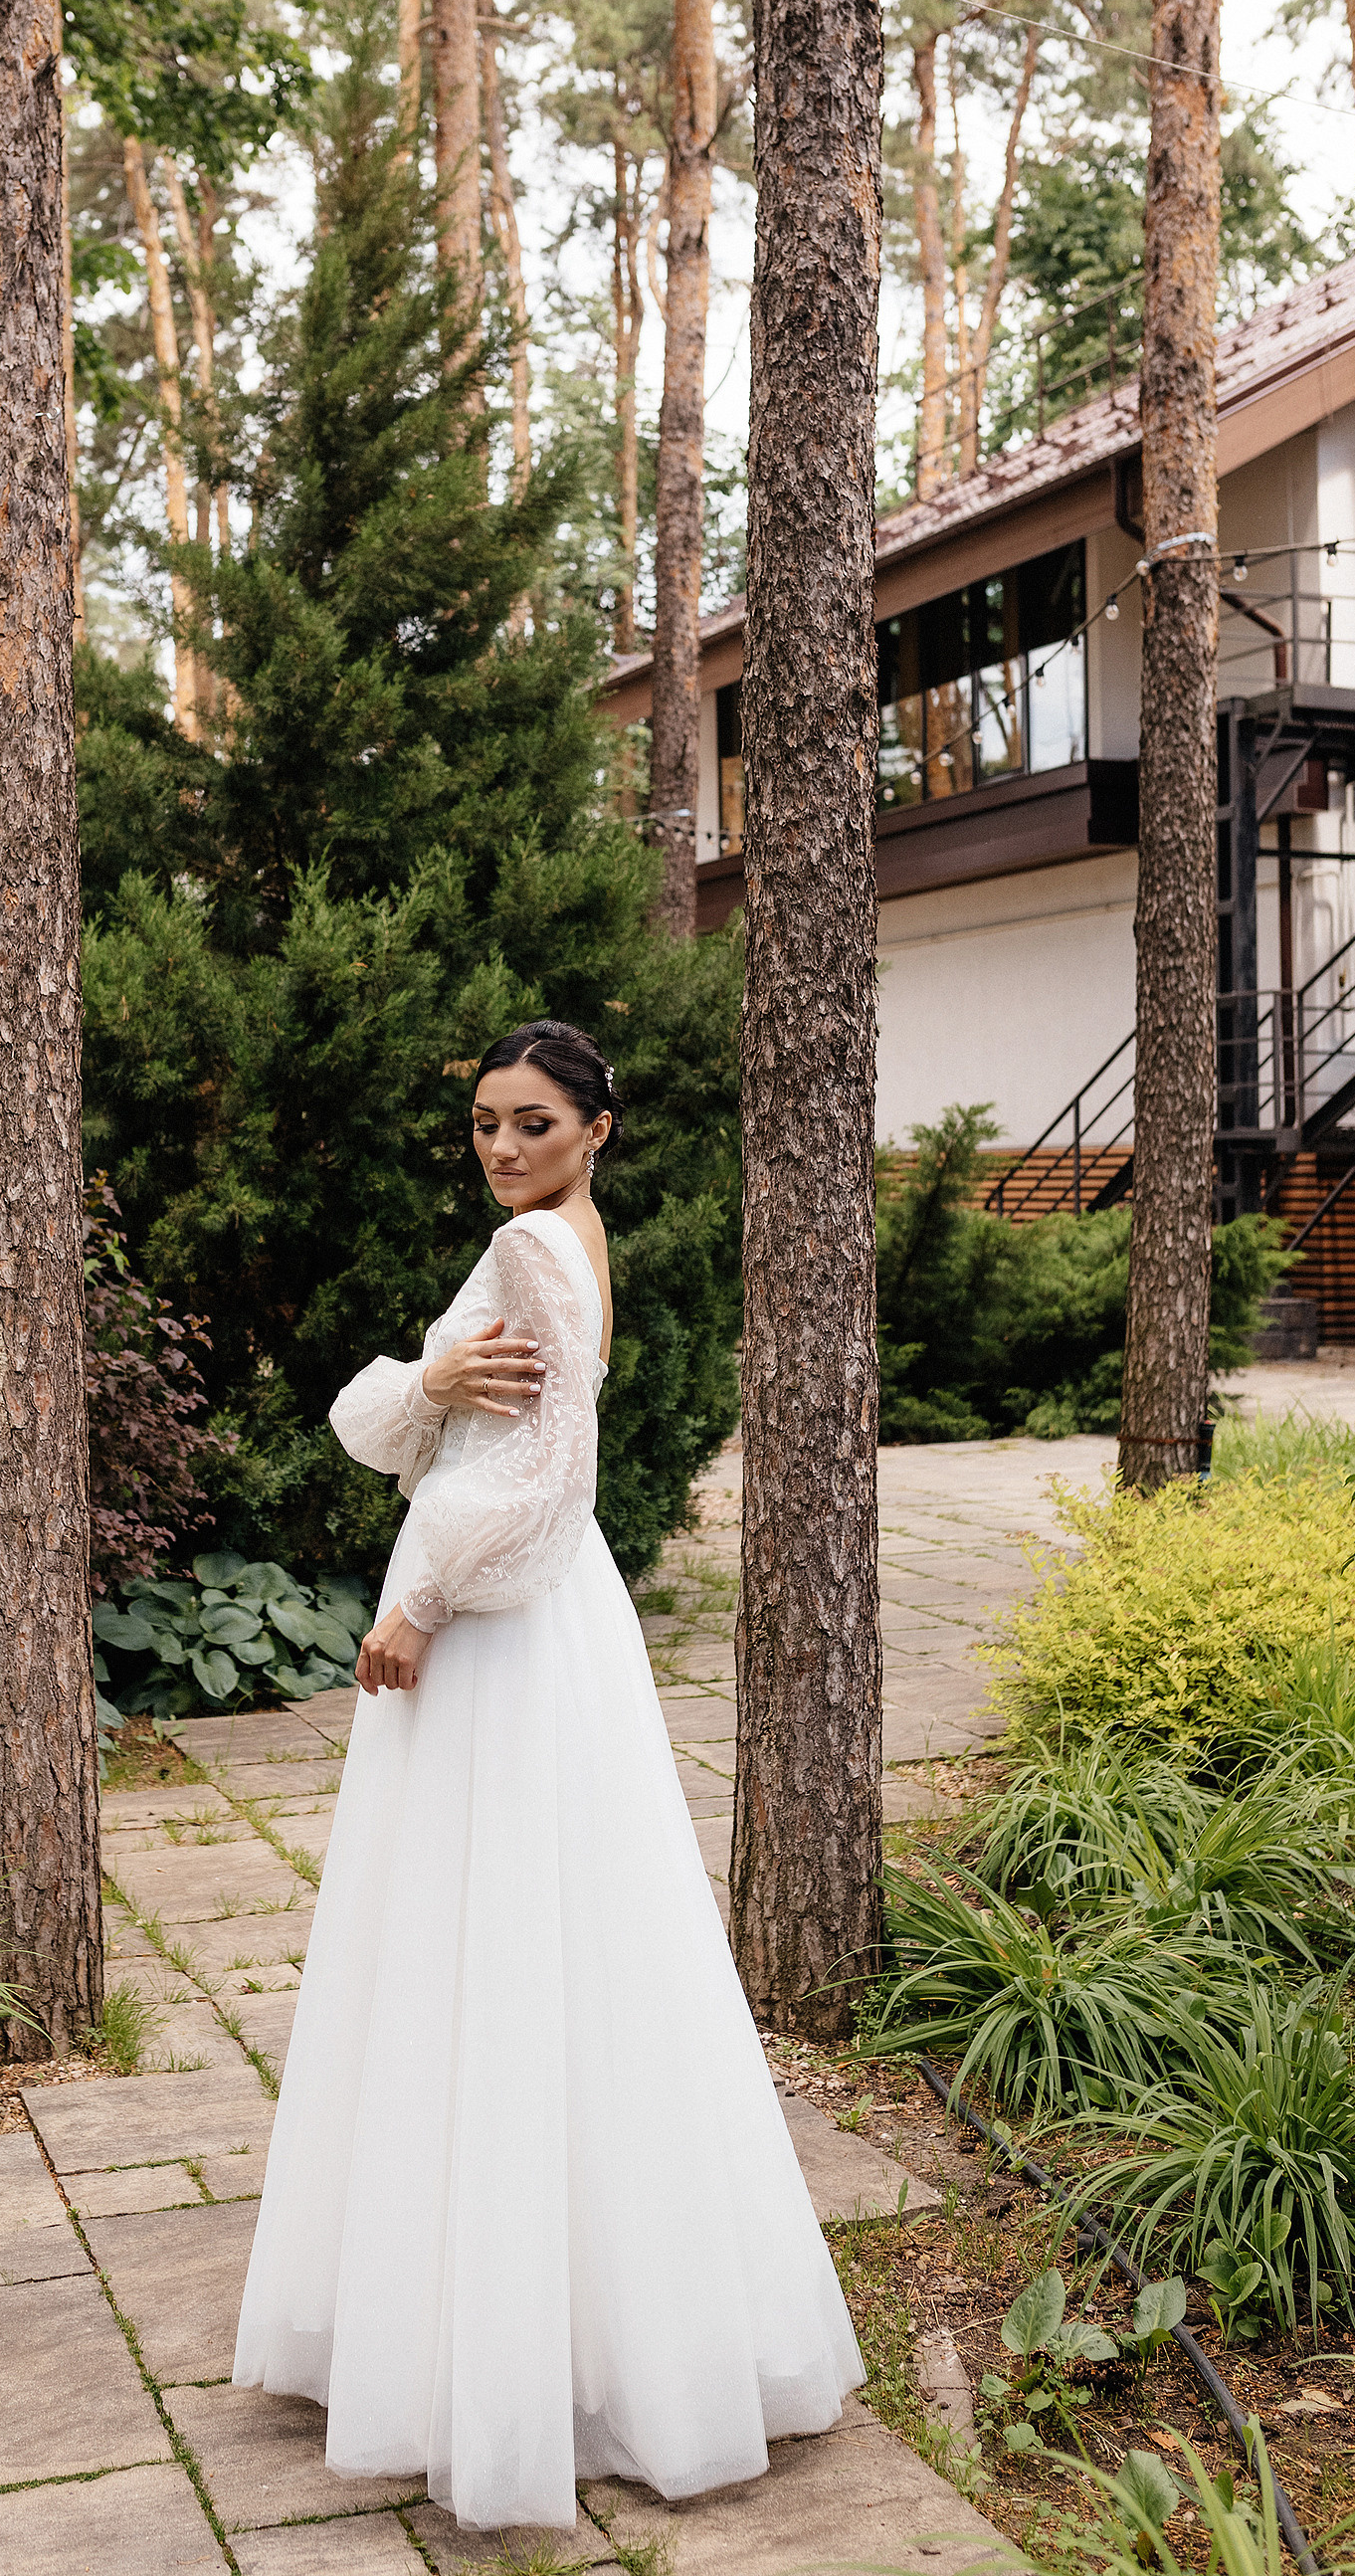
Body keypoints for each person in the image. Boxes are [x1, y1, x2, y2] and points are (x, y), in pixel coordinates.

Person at [232, 1018, 865, 2531]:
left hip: (498, 1626)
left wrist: (417, 1605)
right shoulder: (568, 1242)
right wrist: (434, 1375)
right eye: (483, 1126)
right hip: (551, 1614)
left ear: (597, 1128)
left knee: (492, 1936)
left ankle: (503, 2348)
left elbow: (532, 1477)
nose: (503, 1149)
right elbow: (403, 1429)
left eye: (532, 1123)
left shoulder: (533, 1255)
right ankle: (569, 2318)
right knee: (565, 1939)